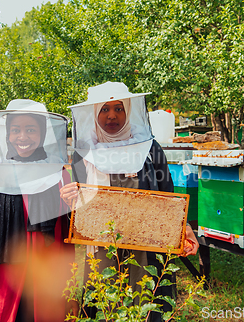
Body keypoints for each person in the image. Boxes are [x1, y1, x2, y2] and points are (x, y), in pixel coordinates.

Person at [60, 82, 199, 321]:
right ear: (93, 114)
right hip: (103, 244)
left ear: (129, 111)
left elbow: (167, 193)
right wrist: (70, 198)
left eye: (118, 108)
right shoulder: (83, 152)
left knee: (146, 303)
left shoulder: (150, 147)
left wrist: (183, 229)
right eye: (104, 109)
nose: (112, 115)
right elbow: (82, 204)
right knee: (107, 304)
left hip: (147, 245)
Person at [0, 99, 77, 322]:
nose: (23, 136)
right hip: (4, 285)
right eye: (16, 130)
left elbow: (69, 238)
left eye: (31, 129)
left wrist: (71, 289)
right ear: (7, 134)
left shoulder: (59, 175)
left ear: (43, 134)